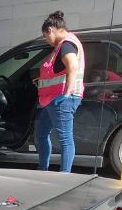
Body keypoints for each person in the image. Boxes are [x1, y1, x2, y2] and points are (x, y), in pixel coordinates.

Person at [34, 11, 86, 172]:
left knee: (65, 139)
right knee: (41, 134)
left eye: (45, 36)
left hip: (62, 100)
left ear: (51, 30)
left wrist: (66, 93)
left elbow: (73, 66)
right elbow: (58, 73)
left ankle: (65, 176)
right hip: (51, 100)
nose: (46, 40)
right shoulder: (64, 45)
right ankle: (43, 168)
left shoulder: (66, 45)